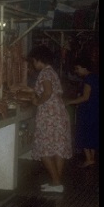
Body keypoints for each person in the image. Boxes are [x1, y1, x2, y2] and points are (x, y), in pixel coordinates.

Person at [27, 45, 72, 193]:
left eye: (34, 61)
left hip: (49, 114)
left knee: (44, 147)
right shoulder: (52, 72)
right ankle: (56, 182)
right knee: (58, 147)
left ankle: (56, 182)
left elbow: (47, 92)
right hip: (58, 113)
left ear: (39, 59)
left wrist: (37, 102)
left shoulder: (44, 73)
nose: (33, 64)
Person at [67, 56, 99, 168]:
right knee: (92, 134)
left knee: (83, 133)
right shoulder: (95, 77)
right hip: (95, 110)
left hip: (87, 110)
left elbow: (85, 97)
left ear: (84, 67)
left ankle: (88, 159)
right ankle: (92, 158)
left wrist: (69, 102)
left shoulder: (88, 79)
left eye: (77, 68)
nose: (76, 71)